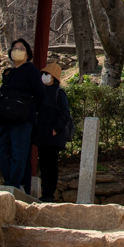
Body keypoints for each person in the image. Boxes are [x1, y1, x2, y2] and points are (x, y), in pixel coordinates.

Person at [0, 38, 45, 190]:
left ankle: (14, 184)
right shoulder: (11, 73)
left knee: (19, 151)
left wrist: (29, 109)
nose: (17, 51)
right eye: (14, 48)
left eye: (21, 48)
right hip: (7, 117)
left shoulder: (30, 70)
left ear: (27, 53)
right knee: (1, 148)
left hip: (23, 117)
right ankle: (10, 179)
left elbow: (40, 94)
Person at [33, 62, 74, 202]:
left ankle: (49, 193)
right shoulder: (41, 92)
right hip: (42, 134)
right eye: (43, 74)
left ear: (53, 77)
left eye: (47, 74)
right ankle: (45, 193)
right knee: (44, 165)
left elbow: (65, 113)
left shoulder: (59, 92)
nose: (44, 76)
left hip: (53, 135)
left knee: (51, 165)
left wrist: (56, 129)